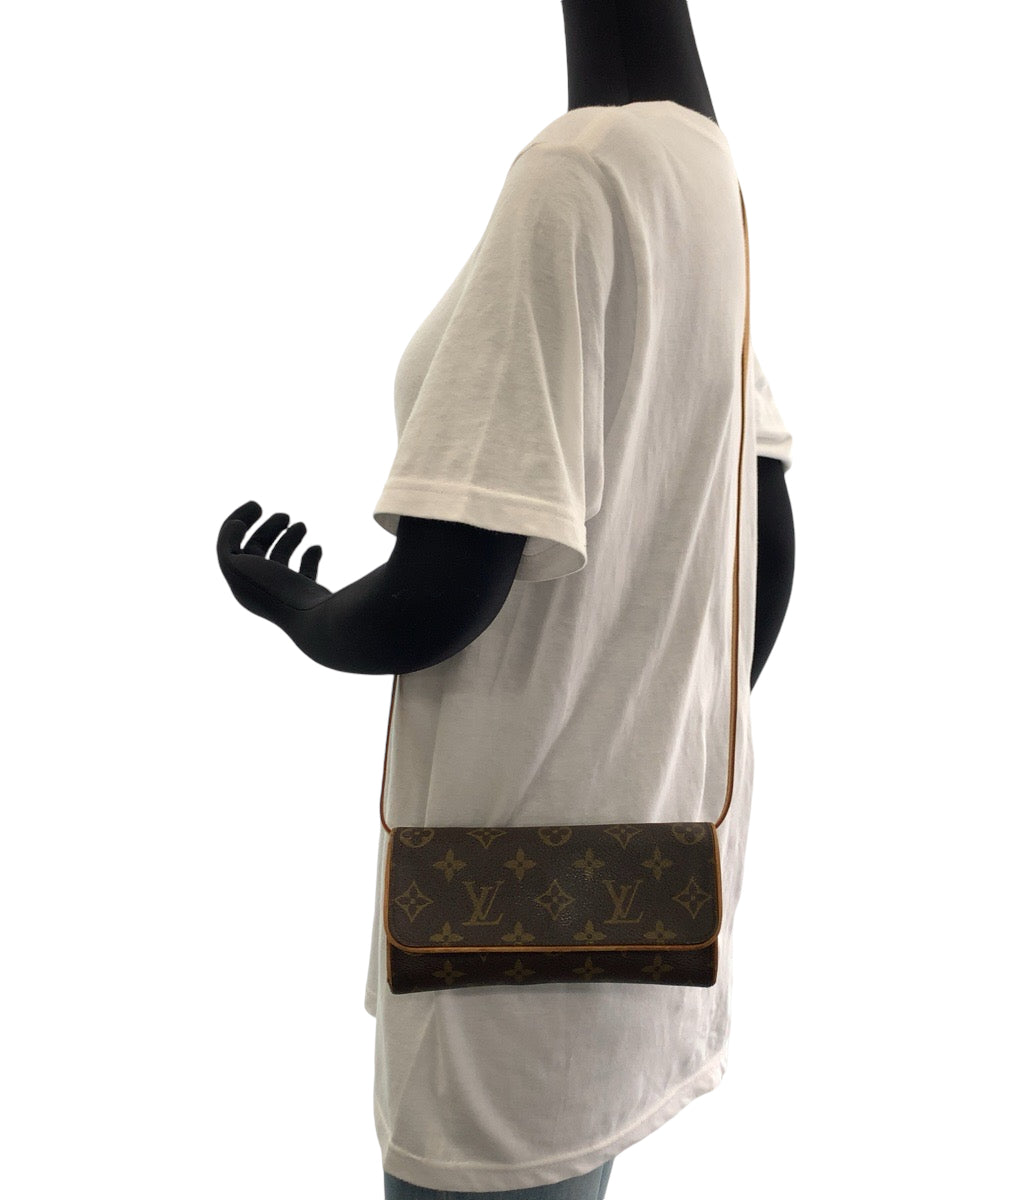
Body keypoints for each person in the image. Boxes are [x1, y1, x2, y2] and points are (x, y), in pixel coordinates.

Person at [216, 2, 795, 1195]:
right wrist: (642, 726)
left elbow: (443, 592)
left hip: (501, 935)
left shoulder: (573, 178)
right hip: (647, 896)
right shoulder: (708, 179)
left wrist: (302, 611)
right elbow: (767, 541)